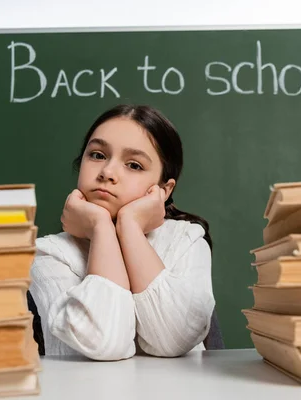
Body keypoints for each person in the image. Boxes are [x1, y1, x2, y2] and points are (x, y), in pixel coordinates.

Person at [28, 104, 217, 361]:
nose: (107, 172)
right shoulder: (48, 254)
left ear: (164, 190)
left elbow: (174, 340)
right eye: (97, 155)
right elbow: (104, 343)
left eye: (134, 165)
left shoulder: (187, 240)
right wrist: (100, 227)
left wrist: (129, 226)